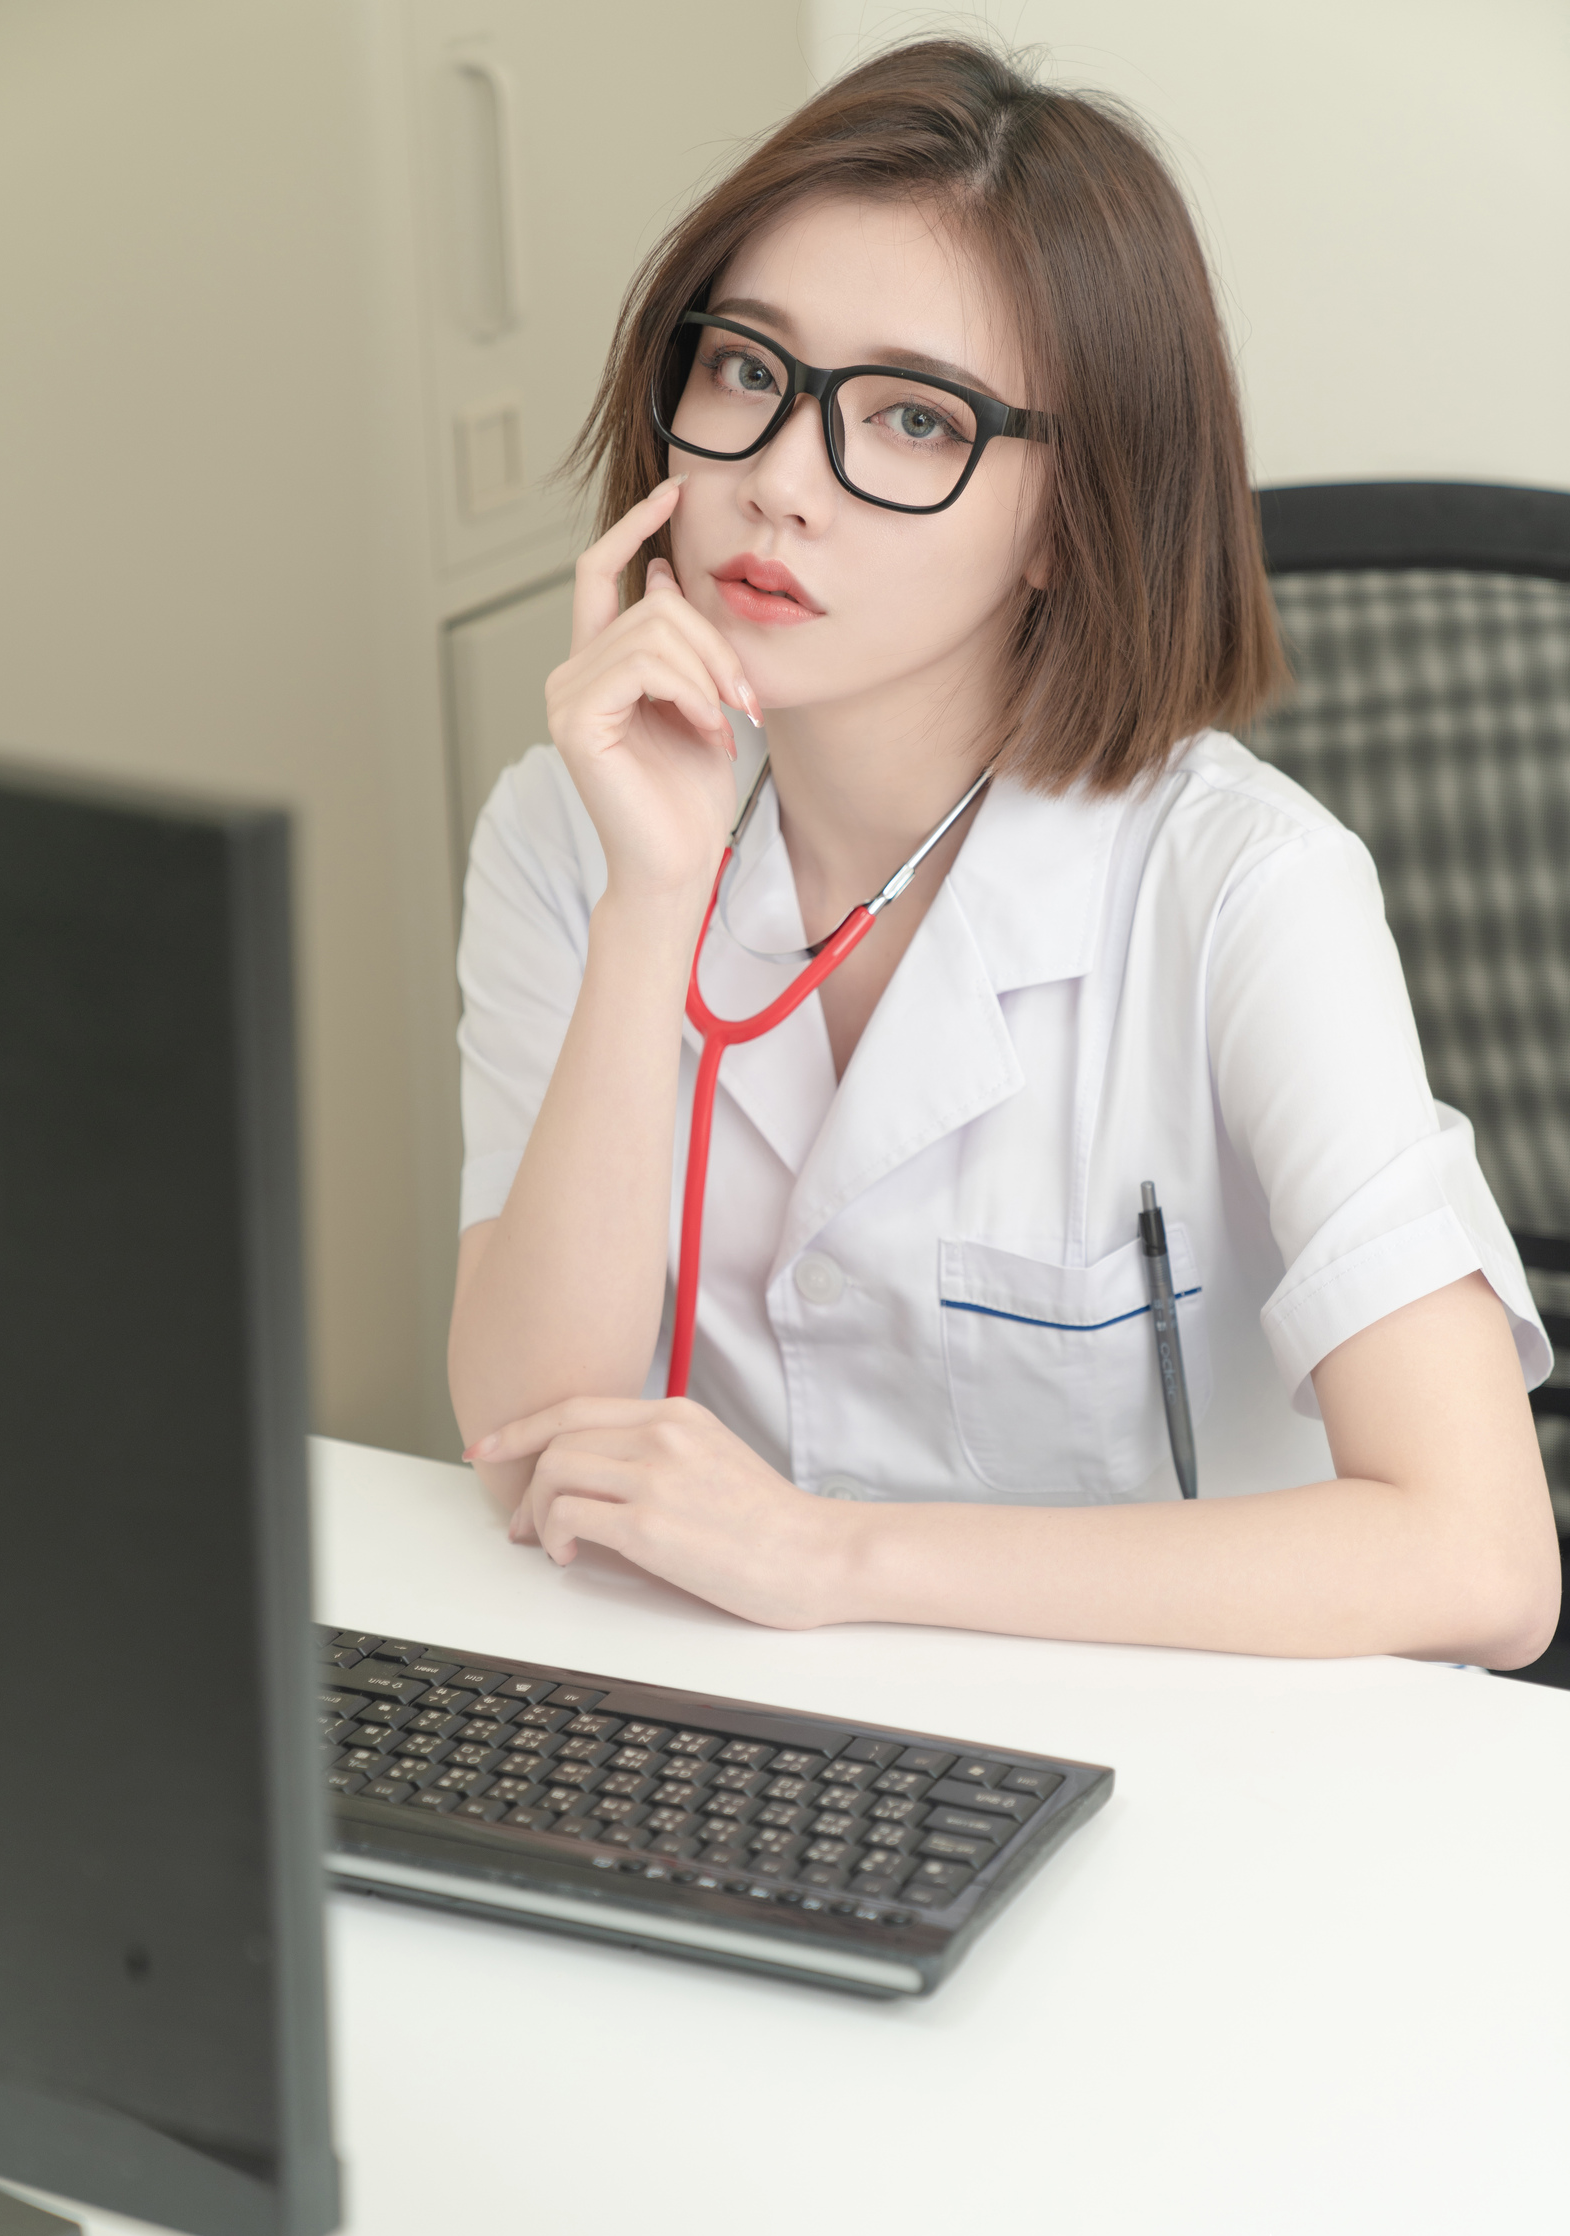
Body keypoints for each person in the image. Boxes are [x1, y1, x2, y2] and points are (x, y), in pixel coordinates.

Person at [447, 38, 1559, 1667]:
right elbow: (529, 1440)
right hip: (737, 1743)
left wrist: (833, 1554)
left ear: (1065, 519)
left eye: (913, 419)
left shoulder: (1242, 886)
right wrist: (655, 902)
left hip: (1181, 1761)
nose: (776, 484)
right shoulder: (577, 825)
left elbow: (1482, 1558)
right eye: (748, 370)